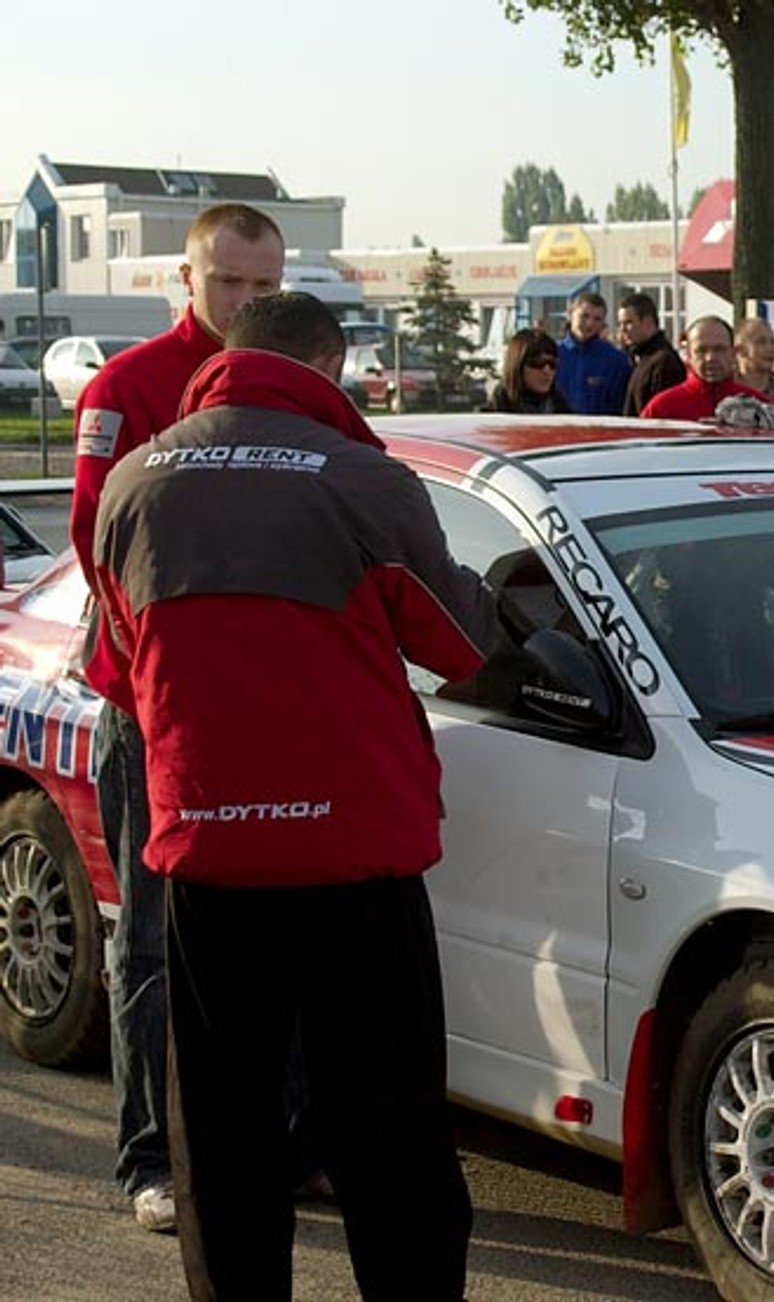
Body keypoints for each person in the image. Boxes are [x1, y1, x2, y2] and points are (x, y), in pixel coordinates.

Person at [91, 291, 498, 1299]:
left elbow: (125, 657)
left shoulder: (133, 482)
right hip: (354, 852)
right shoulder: (364, 480)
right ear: (328, 368)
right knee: (385, 1126)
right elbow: (460, 645)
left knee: (223, 1135)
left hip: (208, 850)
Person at [68, 201, 286, 1234]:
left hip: (266, 716)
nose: (245, 304)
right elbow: (94, 548)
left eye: (264, 288)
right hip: (152, 714)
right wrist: (161, 686)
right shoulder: (129, 388)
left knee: (272, 940)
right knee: (151, 944)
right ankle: (149, 1158)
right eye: (228, 283)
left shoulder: (300, 391)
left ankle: (275, 1145)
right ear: (187, 281)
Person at [640, 316, 768, 420]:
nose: (710, 358)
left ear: (733, 353)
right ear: (688, 356)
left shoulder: (760, 408)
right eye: (701, 350)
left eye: (719, 349)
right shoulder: (662, 409)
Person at [555, 290, 631, 414]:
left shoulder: (616, 361)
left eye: (597, 319)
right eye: (584, 316)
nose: (589, 324)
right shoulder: (552, 356)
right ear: (570, 314)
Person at [620, 292, 688, 416]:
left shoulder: (663, 362)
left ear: (648, 322)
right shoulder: (641, 358)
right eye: (621, 324)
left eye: (628, 323)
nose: (623, 330)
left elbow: (663, 412)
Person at [484, 328, 571, 414]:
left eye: (553, 363)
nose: (547, 370)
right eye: (538, 363)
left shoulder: (561, 408)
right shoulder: (495, 412)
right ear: (518, 366)